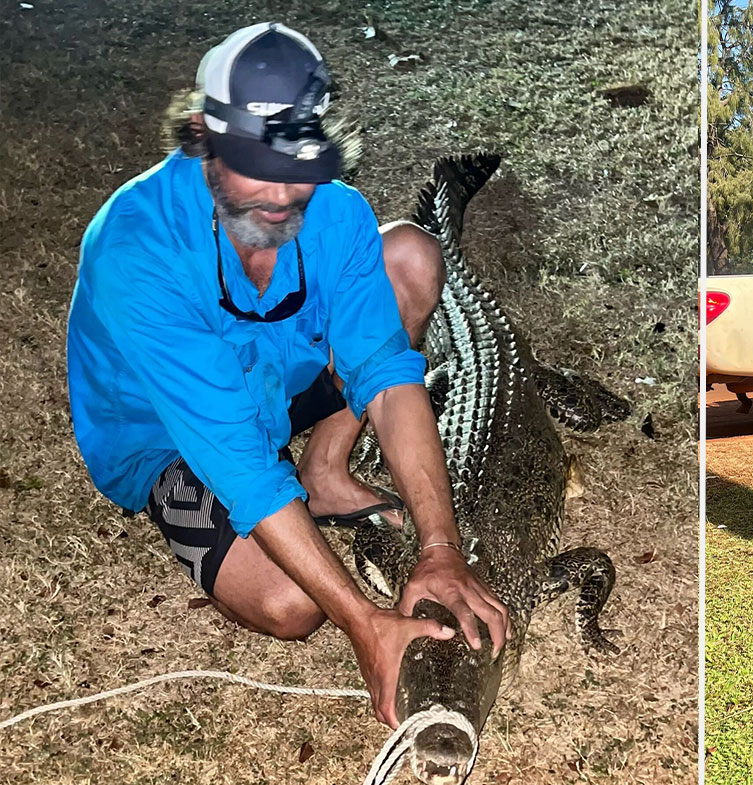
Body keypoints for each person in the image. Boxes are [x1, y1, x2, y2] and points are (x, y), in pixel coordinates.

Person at [66, 22, 509, 728]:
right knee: (291, 603)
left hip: (272, 390)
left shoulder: (336, 213)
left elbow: (392, 381)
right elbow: (240, 468)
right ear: (201, 137)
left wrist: (440, 550)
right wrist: (365, 623)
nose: (278, 191)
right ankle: (264, 494)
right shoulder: (136, 246)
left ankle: (326, 472)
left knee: (409, 260)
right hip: (168, 433)